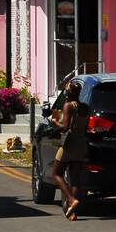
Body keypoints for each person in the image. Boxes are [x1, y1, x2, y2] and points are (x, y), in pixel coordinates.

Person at [51, 79, 89, 220]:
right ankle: (72, 212)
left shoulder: (68, 106)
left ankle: (71, 199)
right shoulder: (85, 107)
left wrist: (55, 122)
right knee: (75, 179)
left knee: (56, 173)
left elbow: (66, 127)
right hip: (81, 142)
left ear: (68, 92)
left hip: (70, 142)